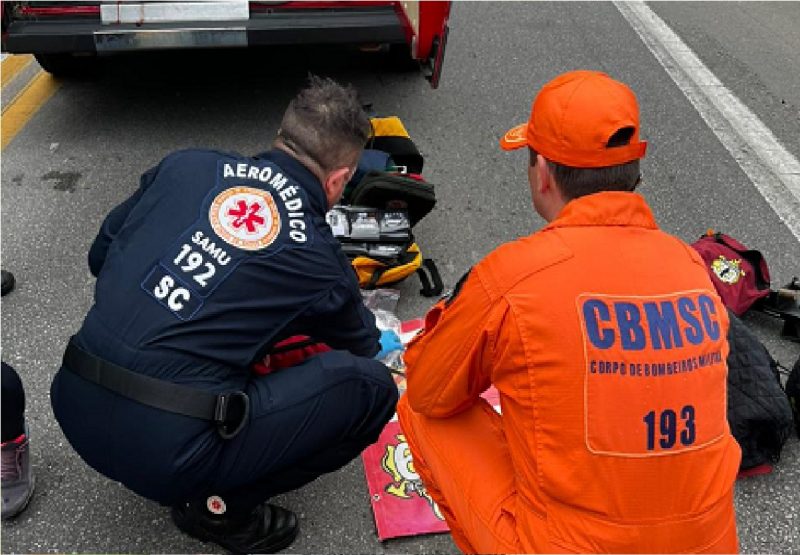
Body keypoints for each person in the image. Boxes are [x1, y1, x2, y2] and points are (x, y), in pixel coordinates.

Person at [397, 70, 742, 554]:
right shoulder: (688, 264)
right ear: (632, 174)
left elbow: (432, 390)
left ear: (541, 174)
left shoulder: (515, 276)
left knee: (422, 404)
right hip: (709, 544)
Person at [50, 76, 399, 554]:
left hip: (72, 402)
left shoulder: (187, 164)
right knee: (370, 390)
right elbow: (361, 343)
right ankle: (221, 511)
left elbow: (100, 256)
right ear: (339, 179)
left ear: (283, 136)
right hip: (167, 452)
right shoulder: (318, 254)